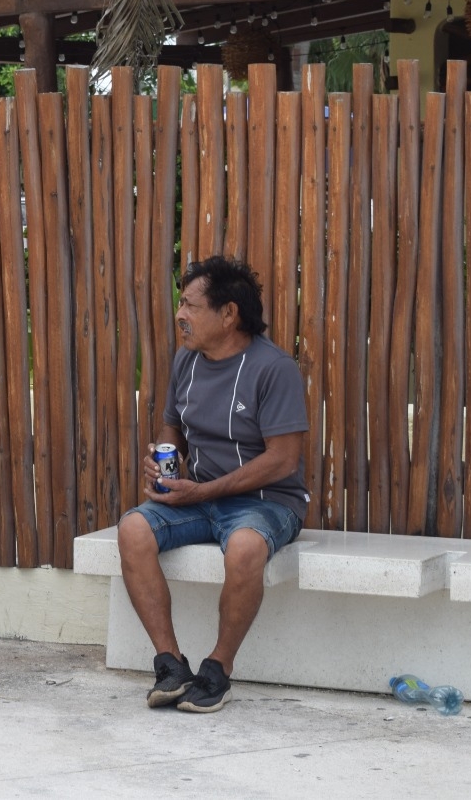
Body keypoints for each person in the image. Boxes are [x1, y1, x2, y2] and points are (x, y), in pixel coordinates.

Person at [117, 256, 309, 713]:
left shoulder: (273, 368)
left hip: (265, 503)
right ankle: (170, 665)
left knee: (245, 548)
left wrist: (201, 491)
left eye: (190, 305)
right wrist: (164, 463)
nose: (180, 314)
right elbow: (172, 426)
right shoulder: (187, 360)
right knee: (132, 530)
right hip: (196, 496)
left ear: (228, 314)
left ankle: (217, 670)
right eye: (180, 303)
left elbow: (283, 460)